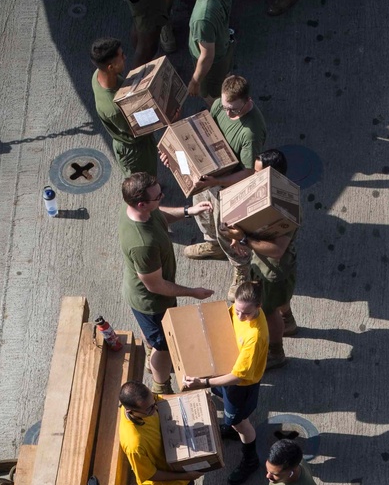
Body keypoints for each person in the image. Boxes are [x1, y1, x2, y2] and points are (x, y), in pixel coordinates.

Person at [119, 171, 214, 390]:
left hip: (142, 295)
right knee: (164, 346)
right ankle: (160, 385)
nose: (162, 197)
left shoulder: (135, 210)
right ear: (142, 204)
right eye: (158, 196)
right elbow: (156, 285)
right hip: (152, 302)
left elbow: (159, 213)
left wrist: (189, 211)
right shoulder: (143, 244)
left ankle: (152, 346)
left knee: (155, 337)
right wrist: (193, 292)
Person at [175, 75, 269, 261]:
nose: (227, 114)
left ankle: (239, 267)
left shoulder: (250, 133)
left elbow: (249, 173)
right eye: (225, 107)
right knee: (203, 215)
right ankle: (213, 245)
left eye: (233, 109)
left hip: (229, 186)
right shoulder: (220, 104)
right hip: (210, 175)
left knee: (228, 231)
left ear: (248, 100)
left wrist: (218, 181)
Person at [183, 280, 268, 485]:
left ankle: (251, 459)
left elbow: (238, 376)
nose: (239, 316)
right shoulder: (239, 310)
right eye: (237, 309)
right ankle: (231, 427)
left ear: (259, 307)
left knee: (242, 424)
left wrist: (203, 382)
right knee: (233, 419)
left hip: (240, 387)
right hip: (226, 372)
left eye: (246, 313)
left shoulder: (254, 336)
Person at [226, 147, 298, 361]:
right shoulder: (267, 193)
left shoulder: (285, 207)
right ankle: (289, 320)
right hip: (263, 263)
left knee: (269, 310)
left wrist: (245, 240)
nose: (254, 177)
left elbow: (277, 250)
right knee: (278, 301)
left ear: (274, 176)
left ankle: (276, 353)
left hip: (274, 270)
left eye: (259, 174)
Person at [118, 380, 198, 485]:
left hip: (178, 470)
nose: (155, 409)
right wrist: (186, 476)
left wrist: (189, 399)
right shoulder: (134, 444)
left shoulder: (144, 402)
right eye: (149, 409)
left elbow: (158, 399)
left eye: (153, 404)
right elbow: (151, 475)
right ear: (130, 411)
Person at [90, 38, 158, 180]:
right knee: (143, 185)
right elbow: (137, 129)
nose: (125, 57)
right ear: (110, 67)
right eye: (121, 56)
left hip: (139, 143)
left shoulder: (99, 75)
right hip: (135, 151)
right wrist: (166, 114)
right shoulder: (113, 107)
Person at [185, 0, 235, 101]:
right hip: (226, 46)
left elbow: (207, 56)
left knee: (212, 99)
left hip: (214, 65)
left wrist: (195, 81)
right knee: (224, 83)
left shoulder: (202, 18)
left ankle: (221, 122)